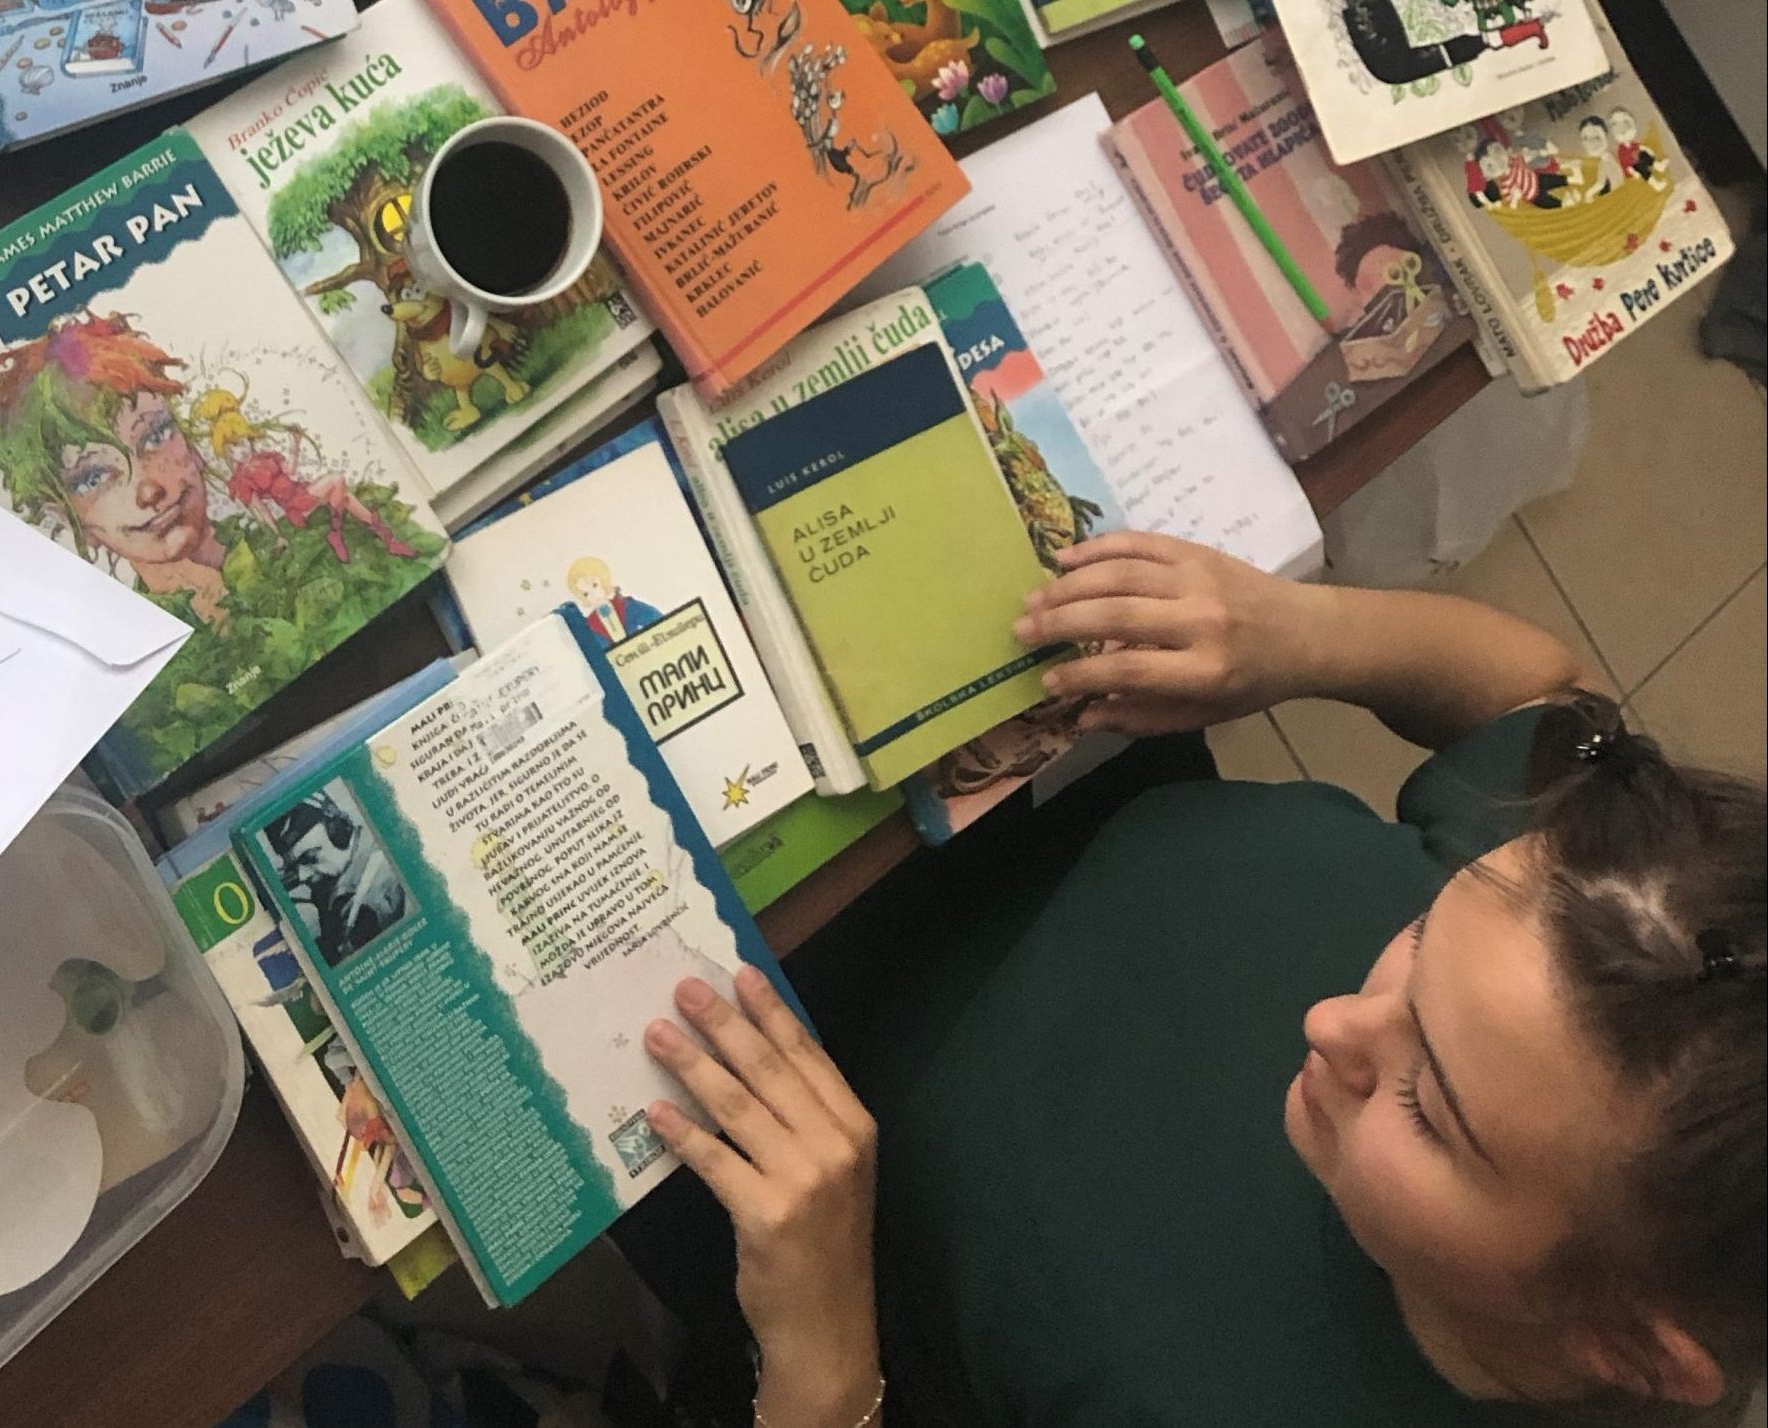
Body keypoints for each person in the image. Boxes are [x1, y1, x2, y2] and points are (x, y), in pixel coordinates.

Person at [630, 532, 1765, 1428]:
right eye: (1423, 933)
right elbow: (1547, 700)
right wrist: (1305, 634)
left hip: (768, 1145)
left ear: (1628, 1345)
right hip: (1012, 807)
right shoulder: (1634, 952)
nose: (1328, 1024)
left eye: (1426, 1106)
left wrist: (826, 1378)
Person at [0, 312, 230, 625]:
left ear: (188, 439)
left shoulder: (299, 545)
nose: (148, 491)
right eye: (94, 477)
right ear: (67, 516)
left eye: (155, 436)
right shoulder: (135, 641)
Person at [191, 388, 418, 565]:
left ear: (250, 437)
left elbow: (289, 470)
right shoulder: (242, 480)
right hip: (296, 507)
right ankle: (337, 533)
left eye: (242, 442)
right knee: (337, 479)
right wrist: (277, 535)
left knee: (346, 497)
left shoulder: (266, 457)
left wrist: (295, 444)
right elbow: (260, 510)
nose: (240, 451)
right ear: (226, 453)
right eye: (232, 448)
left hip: (304, 492)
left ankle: (389, 541)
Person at [265, 795, 409, 967]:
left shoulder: (378, 867)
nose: (307, 873)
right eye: (301, 864)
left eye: (313, 857)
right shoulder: (333, 882)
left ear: (339, 827)